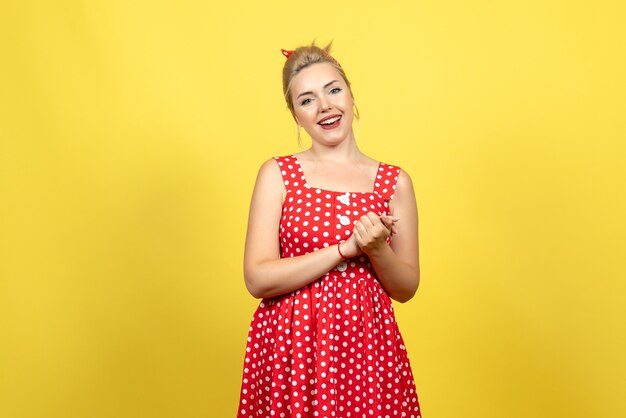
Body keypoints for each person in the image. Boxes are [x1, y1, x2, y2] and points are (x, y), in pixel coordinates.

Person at [236, 40, 422, 417]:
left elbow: (406, 288)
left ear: (351, 95)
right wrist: (345, 249)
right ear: (296, 115)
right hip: (293, 348)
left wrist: (377, 249)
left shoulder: (394, 182)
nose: (325, 107)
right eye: (307, 100)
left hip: (368, 350)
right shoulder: (278, 175)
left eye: (333, 90)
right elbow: (257, 278)